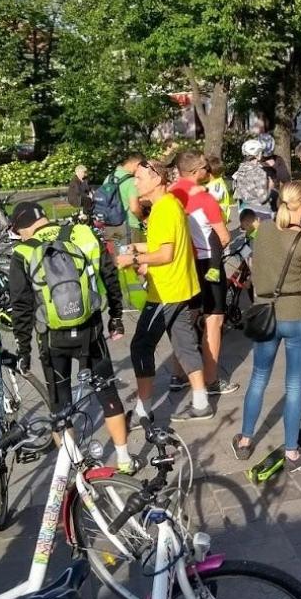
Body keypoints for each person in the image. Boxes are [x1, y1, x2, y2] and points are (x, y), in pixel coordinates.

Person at [6, 201, 133, 471]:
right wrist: (116, 317)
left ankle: (76, 470)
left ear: (23, 227)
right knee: (107, 391)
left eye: (18, 232)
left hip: (52, 339)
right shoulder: (83, 233)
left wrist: (23, 350)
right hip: (91, 330)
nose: (20, 237)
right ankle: (124, 459)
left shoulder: (23, 252)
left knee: (59, 404)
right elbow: (109, 275)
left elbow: (21, 307)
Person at [232, 181, 301, 472]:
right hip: (298, 315)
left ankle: (245, 440)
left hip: (266, 313)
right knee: (294, 385)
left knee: (259, 376)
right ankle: (292, 452)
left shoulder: (264, 231)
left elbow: (256, 269)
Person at [115, 160, 214, 423]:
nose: (135, 184)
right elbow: (166, 245)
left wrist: (134, 259)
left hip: (166, 291)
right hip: (182, 287)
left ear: (157, 179)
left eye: (139, 178)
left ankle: (143, 410)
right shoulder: (169, 205)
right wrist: (140, 248)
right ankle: (201, 402)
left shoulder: (164, 210)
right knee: (184, 343)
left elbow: (166, 254)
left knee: (140, 346)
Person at [166, 151, 238, 398]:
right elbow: (224, 236)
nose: (208, 171)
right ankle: (211, 379)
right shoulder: (205, 198)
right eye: (205, 167)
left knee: (185, 318)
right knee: (213, 320)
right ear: (196, 171)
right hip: (207, 262)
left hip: (182, 262)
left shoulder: (170, 195)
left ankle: (178, 375)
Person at [103, 153, 143, 243]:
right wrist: (142, 218)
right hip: (129, 227)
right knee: (132, 251)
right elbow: (134, 208)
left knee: (116, 251)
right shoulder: (131, 181)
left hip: (110, 226)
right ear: (136, 164)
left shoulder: (108, 178)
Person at [233, 139, 273, 216]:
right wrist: (270, 186)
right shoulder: (259, 173)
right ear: (257, 154)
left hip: (243, 212)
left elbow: (236, 196)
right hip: (259, 212)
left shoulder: (239, 171)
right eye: (261, 152)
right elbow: (263, 198)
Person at [204, 156, 233, 222]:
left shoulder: (217, 185)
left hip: (218, 218)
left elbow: (214, 199)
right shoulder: (216, 182)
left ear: (208, 173)